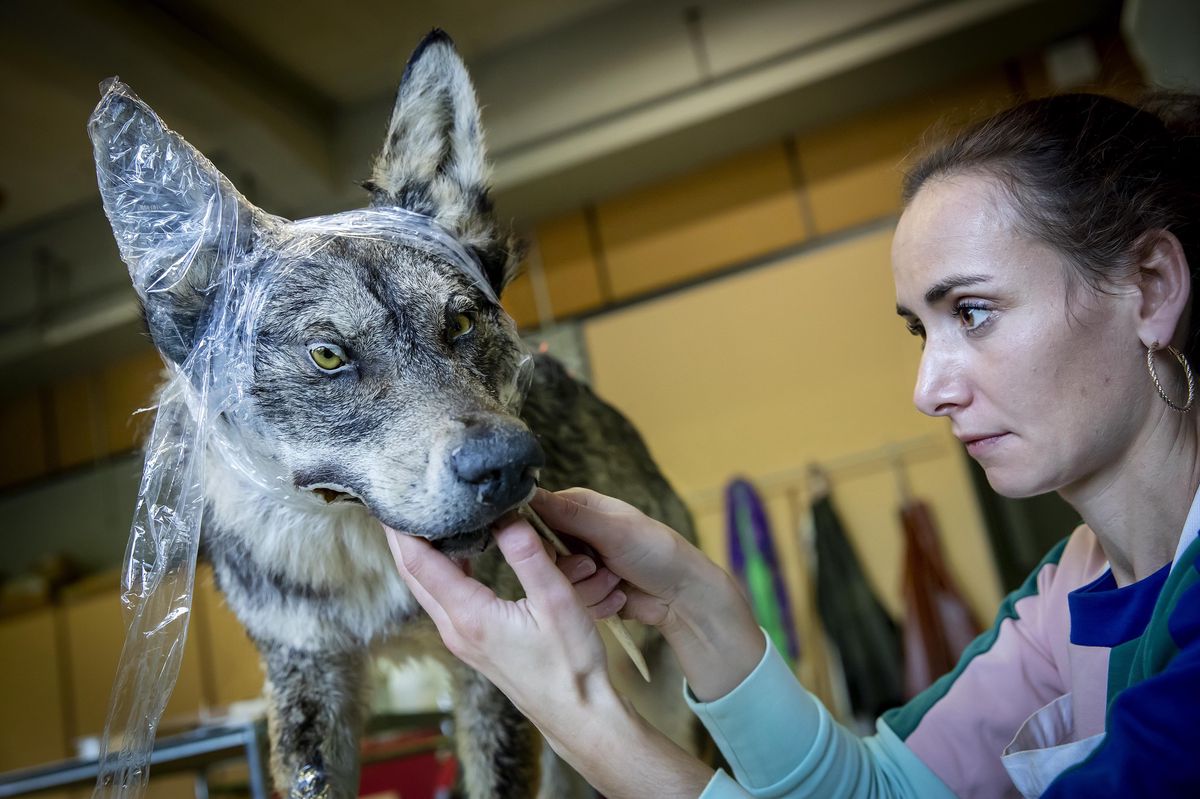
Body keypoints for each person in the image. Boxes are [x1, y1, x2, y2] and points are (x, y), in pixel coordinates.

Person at [384, 91, 1200, 798]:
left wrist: (586, 723)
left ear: (1151, 289)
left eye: (974, 313)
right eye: (921, 329)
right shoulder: (1068, 591)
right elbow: (876, 790)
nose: (929, 388)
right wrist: (692, 604)